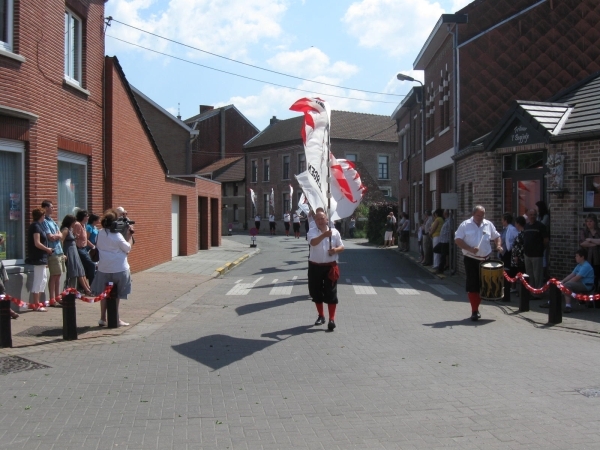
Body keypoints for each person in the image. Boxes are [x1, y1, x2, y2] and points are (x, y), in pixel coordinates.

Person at [454, 205, 502, 321]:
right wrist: (470, 248)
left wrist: (498, 245)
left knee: (484, 285)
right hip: (471, 258)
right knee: (473, 285)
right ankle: (474, 310)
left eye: (482, 215)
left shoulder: (488, 224)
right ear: (473, 214)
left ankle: (478, 305)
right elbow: (458, 240)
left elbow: (497, 236)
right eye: (478, 215)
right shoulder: (465, 225)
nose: (480, 217)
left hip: (485, 259)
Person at [91, 209, 133, 327]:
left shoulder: (100, 233)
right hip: (119, 268)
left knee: (104, 294)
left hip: (103, 268)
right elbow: (128, 248)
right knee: (117, 294)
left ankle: (103, 318)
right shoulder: (118, 236)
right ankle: (115, 318)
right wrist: (129, 236)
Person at [308, 209, 344, 331]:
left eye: (322, 218)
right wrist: (324, 235)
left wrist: (335, 250)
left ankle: (332, 319)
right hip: (315, 266)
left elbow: (342, 246)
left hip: (330, 266)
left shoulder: (335, 232)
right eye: (317, 219)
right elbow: (313, 242)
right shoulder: (312, 231)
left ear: (327, 219)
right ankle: (321, 316)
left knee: (331, 293)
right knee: (316, 292)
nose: (320, 221)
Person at [541, 248, 595, 313]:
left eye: (577, 256)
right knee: (556, 283)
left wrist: (564, 284)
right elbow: (572, 275)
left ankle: (568, 306)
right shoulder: (579, 265)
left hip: (585, 285)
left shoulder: (586, 266)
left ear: (582, 257)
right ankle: (551, 302)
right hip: (579, 283)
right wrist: (562, 281)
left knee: (567, 285)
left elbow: (577, 278)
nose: (575, 257)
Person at [26, 208, 54, 312]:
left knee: (44, 278)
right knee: (39, 279)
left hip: (42, 256)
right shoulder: (36, 226)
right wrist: (47, 249)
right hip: (38, 256)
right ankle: (36, 304)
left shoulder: (38, 226)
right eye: (43, 215)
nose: (44, 217)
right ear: (40, 216)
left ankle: (38, 303)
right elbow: (37, 243)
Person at [40, 200, 66, 307]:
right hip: (53, 251)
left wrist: (58, 235)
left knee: (59, 275)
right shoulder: (44, 221)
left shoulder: (52, 221)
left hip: (59, 250)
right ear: (45, 208)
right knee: (54, 275)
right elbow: (50, 236)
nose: (53, 209)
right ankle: (52, 299)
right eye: (51, 207)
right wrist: (57, 236)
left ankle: (58, 296)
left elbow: (60, 234)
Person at [60, 215, 92, 295]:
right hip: (69, 251)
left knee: (80, 269)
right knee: (74, 270)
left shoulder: (71, 230)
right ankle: (81, 290)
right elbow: (61, 241)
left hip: (74, 251)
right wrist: (62, 253)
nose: (75, 223)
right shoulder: (65, 229)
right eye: (74, 222)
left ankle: (87, 288)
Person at [523, 209, 549, 297]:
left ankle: (538, 293)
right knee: (529, 275)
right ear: (528, 216)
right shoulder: (526, 226)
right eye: (530, 215)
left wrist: (541, 249)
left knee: (537, 275)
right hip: (527, 255)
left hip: (537, 255)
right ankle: (531, 292)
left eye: (534, 215)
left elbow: (545, 240)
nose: (532, 216)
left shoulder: (540, 226)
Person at [73, 210, 96, 285]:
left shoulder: (84, 225)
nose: (88, 217)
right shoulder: (77, 224)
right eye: (87, 216)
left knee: (85, 266)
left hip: (84, 248)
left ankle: (84, 285)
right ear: (83, 217)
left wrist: (92, 246)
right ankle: (92, 284)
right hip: (79, 248)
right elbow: (74, 236)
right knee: (91, 265)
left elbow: (86, 239)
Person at [579, 213, 600, 290]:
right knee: (586, 277)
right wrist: (596, 243)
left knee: (596, 277)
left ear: (595, 222)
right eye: (587, 221)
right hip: (587, 258)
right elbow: (583, 243)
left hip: (598, 258)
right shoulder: (584, 232)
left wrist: (590, 240)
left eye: (591, 221)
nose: (589, 223)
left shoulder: (598, 231)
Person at [510, 216, 527, 293]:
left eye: (516, 223)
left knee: (520, 273)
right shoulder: (520, 233)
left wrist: (517, 256)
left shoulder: (523, 234)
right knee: (515, 273)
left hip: (519, 259)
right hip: (516, 258)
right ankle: (516, 289)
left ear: (518, 224)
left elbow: (521, 247)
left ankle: (521, 291)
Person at [500, 212, 519, 278]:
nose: (501, 221)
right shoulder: (504, 229)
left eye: (502, 220)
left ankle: (511, 287)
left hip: (509, 252)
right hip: (503, 253)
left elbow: (517, 238)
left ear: (506, 220)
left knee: (509, 271)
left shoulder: (512, 229)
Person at [536, 200, 550, 277]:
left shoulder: (546, 216)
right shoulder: (539, 216)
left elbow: (541, 225)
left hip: (544, 238)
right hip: (538, 239)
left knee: (544, 257)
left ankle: (544, 274)